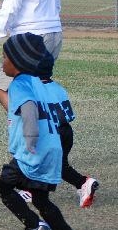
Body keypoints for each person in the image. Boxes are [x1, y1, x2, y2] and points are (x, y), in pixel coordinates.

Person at [0, 33, 82, 230]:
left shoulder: (20, 84)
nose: (2, 62)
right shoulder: (38, 83)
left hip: (33, 150)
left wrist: (30, 137)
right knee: (41, 199)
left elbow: (29, 109)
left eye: (5, 57)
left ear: (18, 61)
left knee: (4, 187)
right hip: (52, 148)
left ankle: (33, 225)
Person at [37, 53, 100, 208]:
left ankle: (83, 183)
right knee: (56, 164)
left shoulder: (35, 90)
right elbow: (68, 114)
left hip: (52, 133)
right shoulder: (58, 88)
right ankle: (34, 190)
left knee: (54, 165)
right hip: (66, 131)